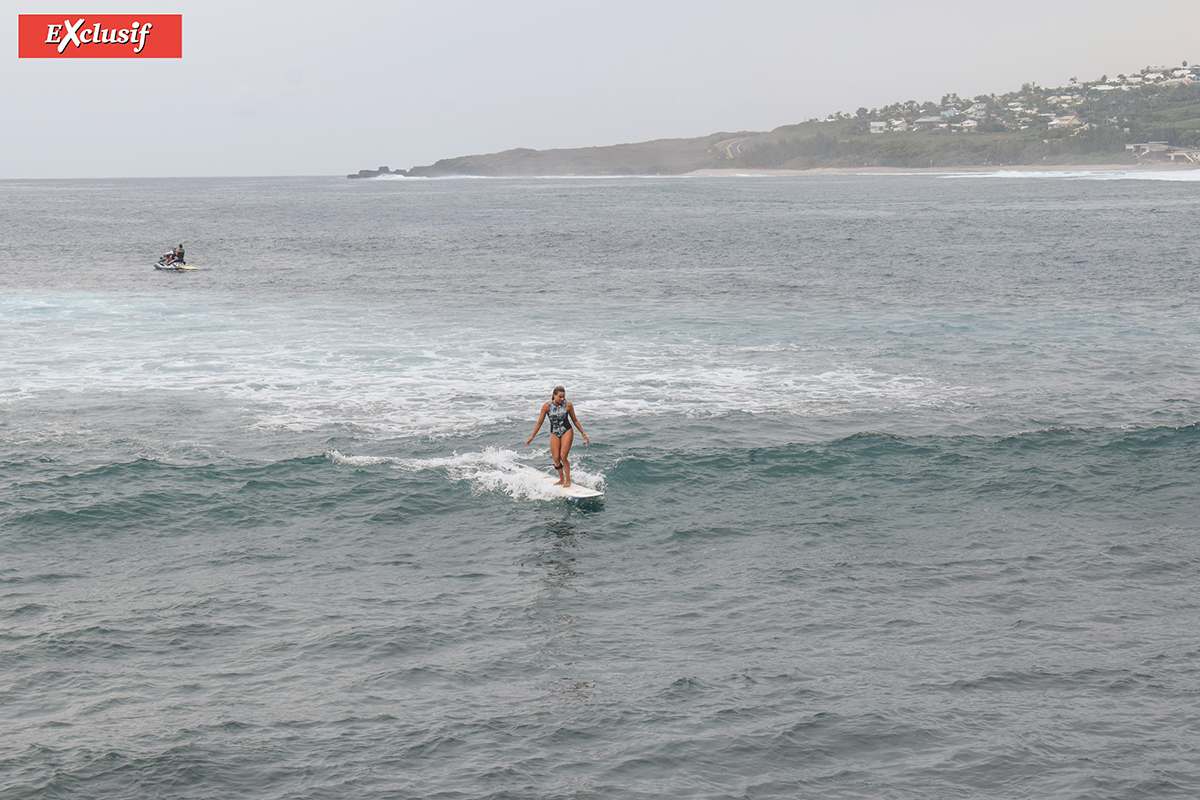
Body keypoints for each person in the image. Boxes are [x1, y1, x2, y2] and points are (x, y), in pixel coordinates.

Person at [526, 385, 589, 487]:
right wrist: (532, 437)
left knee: (563, 457)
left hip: (566, 431)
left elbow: (575, 420)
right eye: (560, 397)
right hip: (554, 432)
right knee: (556, 458)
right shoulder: (546, 406)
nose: (562, 399)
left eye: (563, 397)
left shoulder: (568, 406)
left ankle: (568, 480)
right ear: (554, 396)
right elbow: (539, 423)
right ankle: (561, 479)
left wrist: (583, 434)